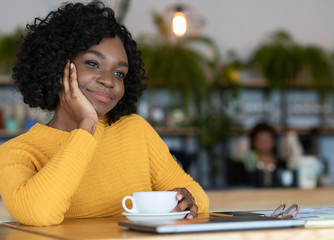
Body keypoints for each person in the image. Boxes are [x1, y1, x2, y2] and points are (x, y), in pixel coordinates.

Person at [0, 2, 209, 226]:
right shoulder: (17, 153)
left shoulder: (134, 130)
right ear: (57, 65)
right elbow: (38, 213)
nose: (109, 81)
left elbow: (200, 199)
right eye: (93, 63)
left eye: (119, 73)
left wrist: (187, 200)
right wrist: (86, 125)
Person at [243, 122, 286, 187]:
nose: (263, 144)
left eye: (266, 140)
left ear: (273, 142)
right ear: (253, 142)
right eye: (259, 140)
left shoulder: (282, 164)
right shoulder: (249, 161)